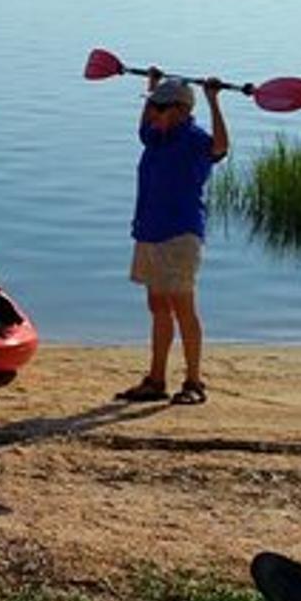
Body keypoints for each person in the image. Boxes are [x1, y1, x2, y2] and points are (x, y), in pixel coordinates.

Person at [117, 74, 228, 406]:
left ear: (182, 110)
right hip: (149, 231)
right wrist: (153, 87)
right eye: (152, 108)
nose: (154, 113)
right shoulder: (156, 136)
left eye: (161, 108)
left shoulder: (193, 140)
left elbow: (221, 147)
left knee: (183, 308)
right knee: (157, 306)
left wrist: (213, 100)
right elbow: (143, 127)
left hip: (180, 234)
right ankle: (156, 380)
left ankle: (194, 382)